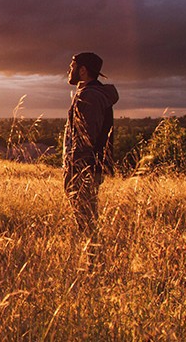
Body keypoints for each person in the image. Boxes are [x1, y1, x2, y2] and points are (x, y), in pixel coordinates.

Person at [63, 52, 119, 236]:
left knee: (86, 218)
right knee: (84, 216)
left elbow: (87, 137)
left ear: (83, 70)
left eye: (72, 67)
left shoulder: (91, 97)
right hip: (84, 166)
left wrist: (78, 167)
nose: (69, 71)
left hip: (85, 167)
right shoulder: (87, 93)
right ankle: (89, 250)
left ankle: (92, 254)